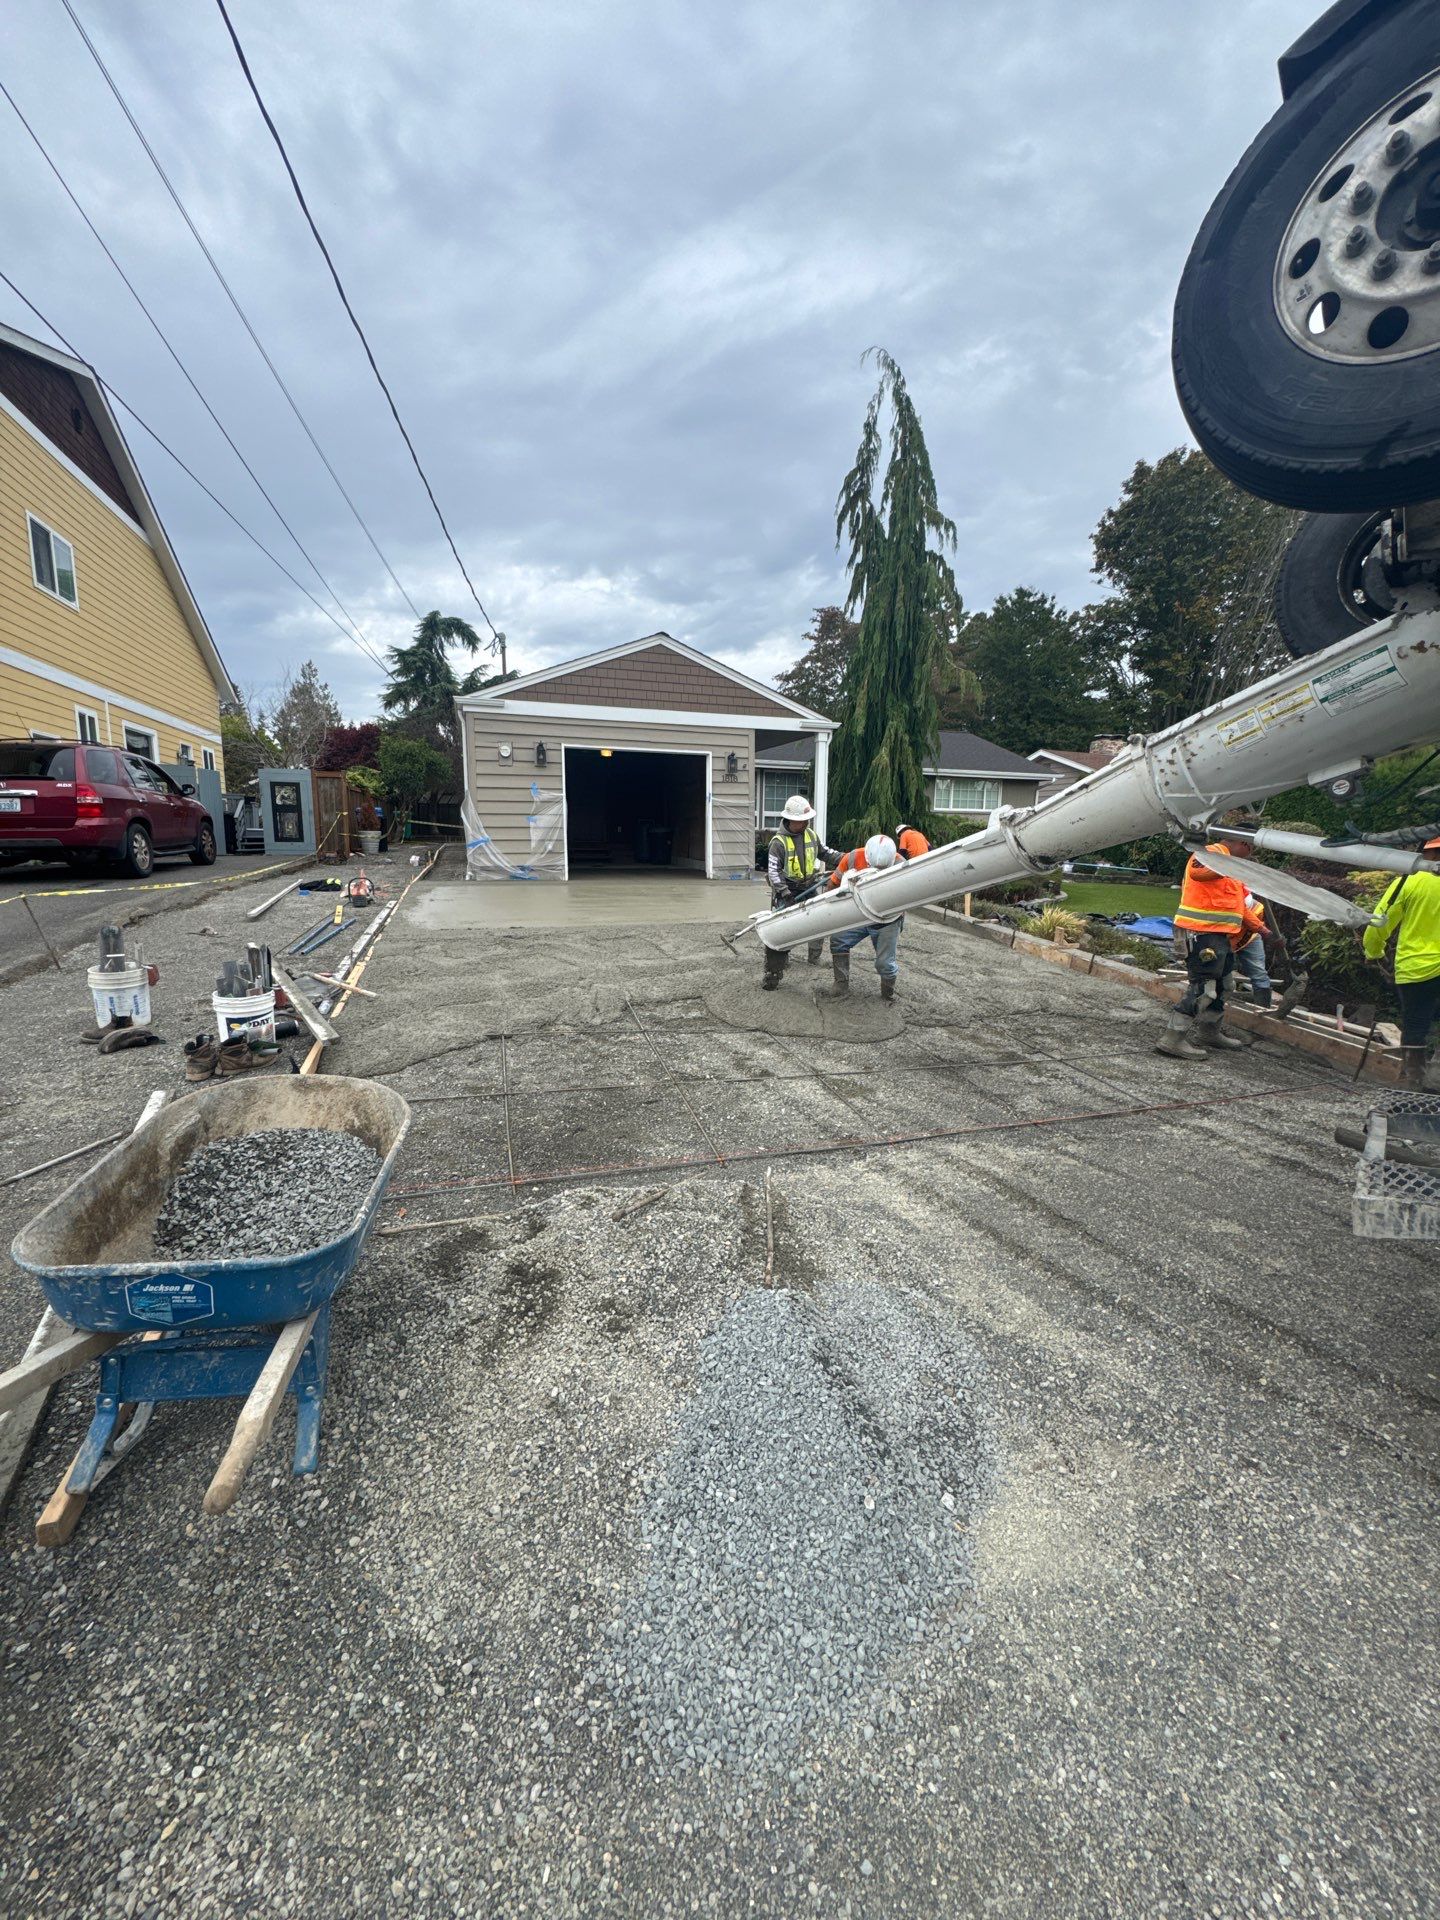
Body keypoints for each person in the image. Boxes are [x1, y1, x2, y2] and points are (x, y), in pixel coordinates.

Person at [1156, 842, 1267, 1060]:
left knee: (1224, 985)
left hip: (1220, 937)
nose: (1251, 855)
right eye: (1251, 849)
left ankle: (1209, 1032)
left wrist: (1262, 929)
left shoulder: (1232, 868)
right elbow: (1199, 872)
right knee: (1203, 989)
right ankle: (1172, 1038)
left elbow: (1239, 907)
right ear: (1243, 844)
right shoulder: (1211, 854)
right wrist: (1232, 867)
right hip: (1200, 934)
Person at [1362, 840, 1440, 1088]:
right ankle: (1437, 1080)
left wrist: (1373, 951)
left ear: (1432, 853)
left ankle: (1412, 1082)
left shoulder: (1410, 881)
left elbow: (1379, 922)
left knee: (1416, 1024)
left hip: (1417, 968)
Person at [762, 795, 843, 991]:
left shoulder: (811, 835)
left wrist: (847, 858)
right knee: (780, 929)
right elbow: (773, 872)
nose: (806, 823)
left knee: (820, 919)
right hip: (788, 890)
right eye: (802, 820)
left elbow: (826, 853)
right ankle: (774, 971)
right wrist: (784, 893)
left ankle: (813, 957)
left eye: (807, 820)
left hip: (809, 886)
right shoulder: (778, 843)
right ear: (791, 820)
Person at [825, 834, 902, 1001]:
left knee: (885, 963)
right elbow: (832, 884)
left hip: (887, 917)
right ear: (867, 858)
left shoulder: (900, 864)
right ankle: (841, 983)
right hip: (857, 913)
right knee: (838, 940)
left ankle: (887, 993)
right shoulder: (852, 858)